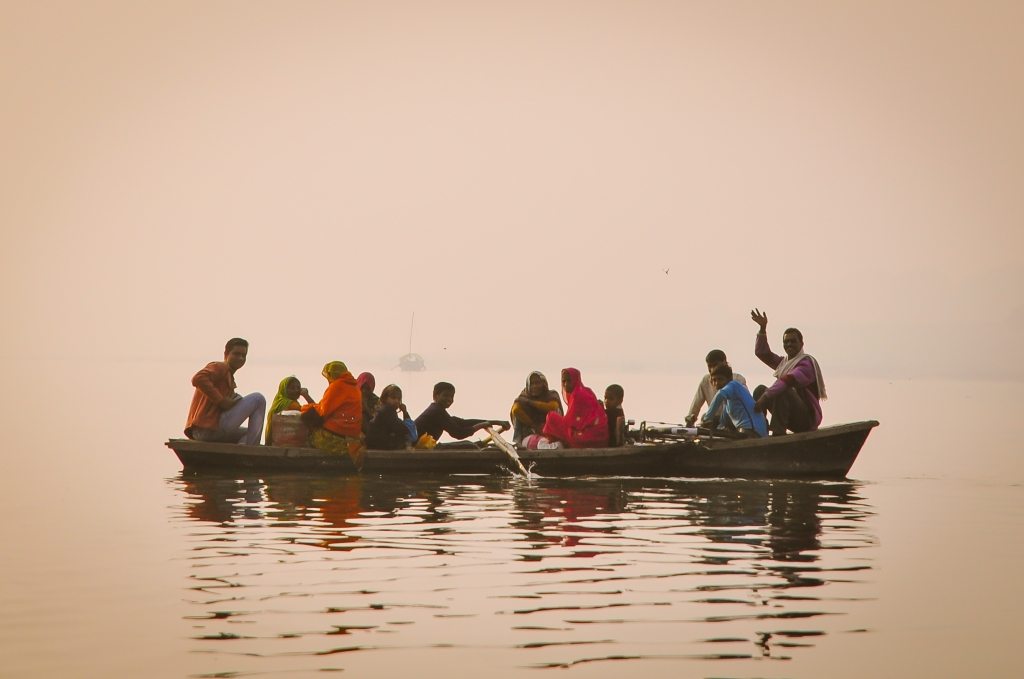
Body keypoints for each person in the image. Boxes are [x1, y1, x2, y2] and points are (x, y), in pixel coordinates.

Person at [750, 308, 827, 435]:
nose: (789, 344)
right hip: (790, 416)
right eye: (786, 342)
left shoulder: (806, 364)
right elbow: (762, 353)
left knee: (783, 390)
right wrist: (762, 329)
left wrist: (766, 397)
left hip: (806, 420)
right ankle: (759, 429)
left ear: (801, 343)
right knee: (759, 390)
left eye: (793, 341)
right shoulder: (784, 363)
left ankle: (778, 432)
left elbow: (788, 380)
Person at [185, 338, 266, 445]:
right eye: (236, 354)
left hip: (205, 431)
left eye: (243, 355)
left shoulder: (229, 377)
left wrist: (234, 401)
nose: (240, 358)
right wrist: (220, 400)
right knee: (258, 398)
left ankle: (241, 456)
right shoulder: (220, 367)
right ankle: (251, 450)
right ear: (226, 354)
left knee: (249, 433)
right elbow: (198, 378)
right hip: (206, 429)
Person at [301, 361, 366, 468]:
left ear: (332, 374)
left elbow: (322, 412)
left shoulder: (336, 386)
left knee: (309, 419)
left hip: (338, 438)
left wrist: (305, 408)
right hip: (352, 436)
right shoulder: (355, 387)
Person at [414, 381, 509, 444]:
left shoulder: (438, 410)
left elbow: (462, 423)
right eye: (445, 395)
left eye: (451, 396)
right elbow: (459, 433)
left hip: (423, 447)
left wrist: (495, 422)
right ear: (435, 395)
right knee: (469, 445)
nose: (449, 399)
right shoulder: (436, 411)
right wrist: (481, 425)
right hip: (415, 449)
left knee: (469, 445)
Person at [542, 368, 609, 448]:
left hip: (584, 439)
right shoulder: (587, 391)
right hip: (601, 439)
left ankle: (555, 443)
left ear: (576, 380)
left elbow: (570, 422)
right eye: (564, 381)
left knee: (551, 417)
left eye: (569, 381)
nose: (566, 384)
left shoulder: (577, 395)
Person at [701, 364, 767, 438]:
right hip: (744, 432)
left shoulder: (733, 385)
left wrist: (706, 419)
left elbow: (719, 395)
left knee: (706, 418)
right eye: (714, 380)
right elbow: (723, 421)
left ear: (729, 379)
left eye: (720, 379)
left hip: (753, 432)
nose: (716, 383)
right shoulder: (728, 402)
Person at [685, 349, 747, 427]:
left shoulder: (738, 379)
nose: (712, 369)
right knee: (705, 418)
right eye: (709, 366)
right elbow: (696, 405)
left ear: (724, 362)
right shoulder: (705, 380)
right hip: (714, 420)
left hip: (735, 421)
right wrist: (690, 419)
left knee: (707, 418)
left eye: (715, 365)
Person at [510, 371, 563, 444]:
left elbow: (553, 407)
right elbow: (516, 410)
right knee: (540, 443)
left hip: (550, 432)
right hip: (530, 433)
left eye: (537, 383)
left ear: (544, 383)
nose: (534, 386)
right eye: (532, 384)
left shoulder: (551, 395)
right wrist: (533, 425)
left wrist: (530, 403)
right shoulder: (524, 396)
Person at [265, 376, 315, 444]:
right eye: (292, 388)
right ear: (284, 390)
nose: (296, 390)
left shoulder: (278, 403)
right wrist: (306, 396)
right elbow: (315, 412)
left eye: (298, 388)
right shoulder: (290, 404)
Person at [366, 384, 418, 450]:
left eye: (399, 399)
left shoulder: (386, 410)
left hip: (376, 446)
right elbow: (402, 430)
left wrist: (405, 412)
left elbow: (403, 429)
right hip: (378, 447)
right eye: (393, 398)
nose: (396, 401)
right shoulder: (387, 410)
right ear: (385, 398)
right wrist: (405, 413)